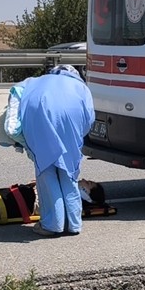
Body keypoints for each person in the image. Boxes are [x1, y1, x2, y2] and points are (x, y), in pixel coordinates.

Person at [18, 64, 96, 236]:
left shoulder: (37, 82)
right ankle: (74, 225)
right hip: (71, 131)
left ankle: (52, 224)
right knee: (69, 176)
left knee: (47, 174)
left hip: (42, 126)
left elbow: (21, 100)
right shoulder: (81, 87)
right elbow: (89, 118)